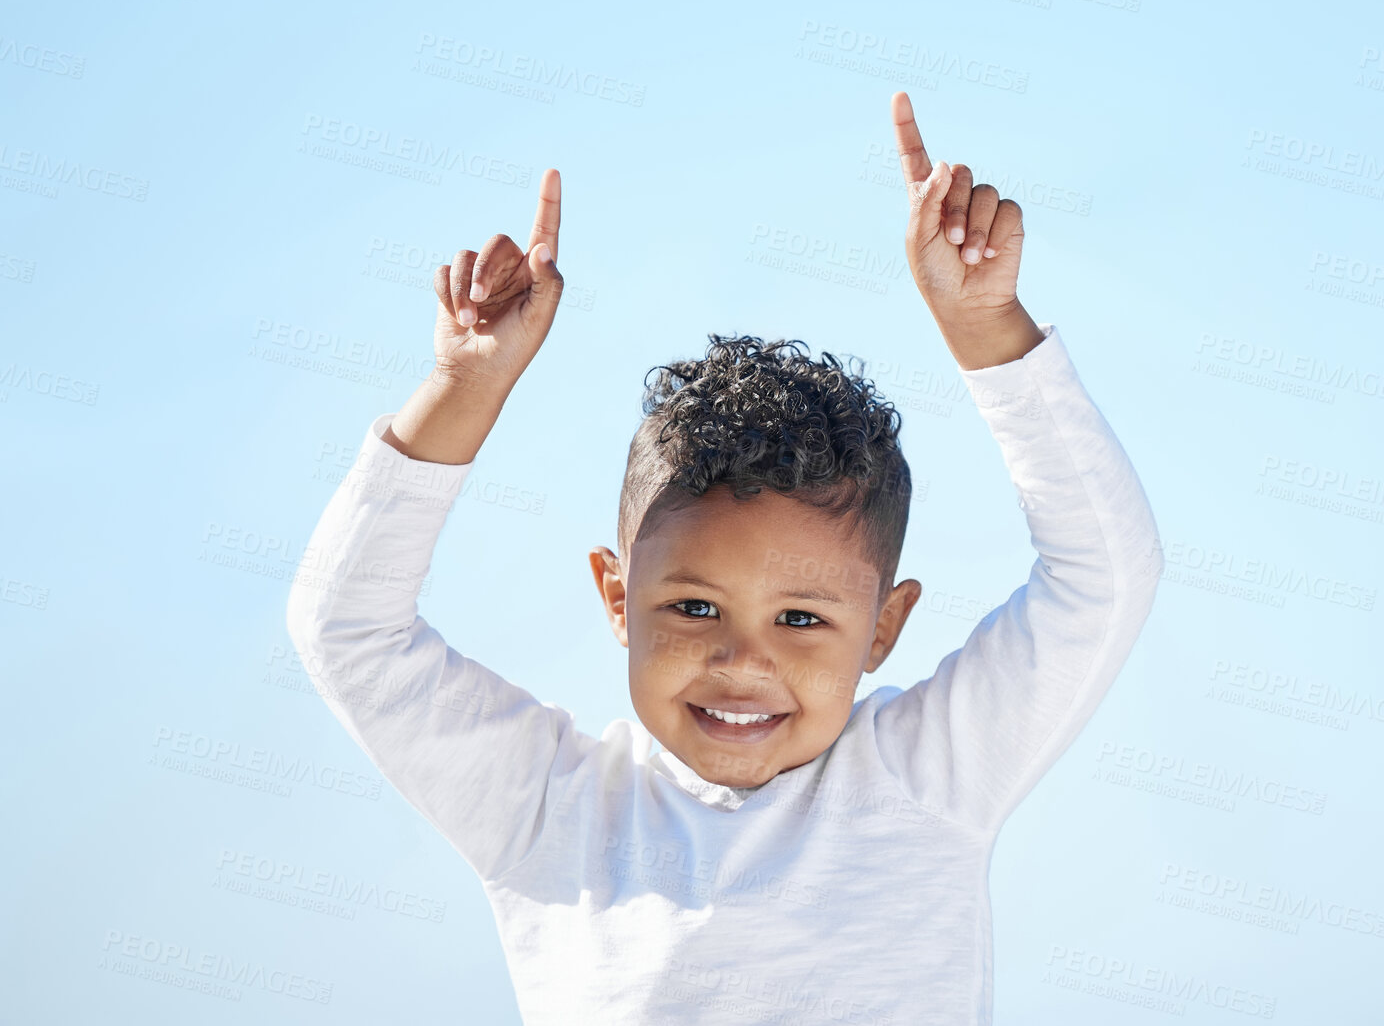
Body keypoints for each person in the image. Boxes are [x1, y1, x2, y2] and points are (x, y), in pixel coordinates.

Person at [285, 91, 1165, 1023]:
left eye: (801, 618)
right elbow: (347, 629)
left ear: (885, 625)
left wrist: (987, 328)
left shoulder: (924, 776)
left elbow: (1103, 574)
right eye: (696, 607)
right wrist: (464, 384)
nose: (744, 661)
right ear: (617, 596)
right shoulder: (550, 809)